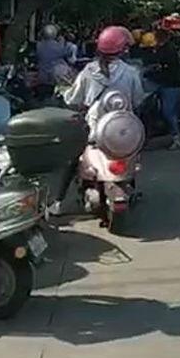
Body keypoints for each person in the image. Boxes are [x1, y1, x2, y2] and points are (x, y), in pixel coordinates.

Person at [48, 25, 144, 216]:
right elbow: (138, 99)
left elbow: (73, 99)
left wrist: (65, 94)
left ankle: (58, 203)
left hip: (93, 131)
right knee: (131, 155)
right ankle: (128, 186)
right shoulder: (131, 72)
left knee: (73, 159)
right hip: (122, 133)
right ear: (123, 49)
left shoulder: (89, 71)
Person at [146, 28, 180, 150]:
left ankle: (176, 137)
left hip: (170, 84)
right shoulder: (156, 49)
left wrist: (157, 68)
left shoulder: (170, 50)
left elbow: (167, 66)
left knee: (168, 112)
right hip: (157, 83)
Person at [36, 24, 71, 99]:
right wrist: (62, 41)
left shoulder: (39, 45)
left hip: (42, 74)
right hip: (54, 75)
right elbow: (66, 53)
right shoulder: (58, 46)